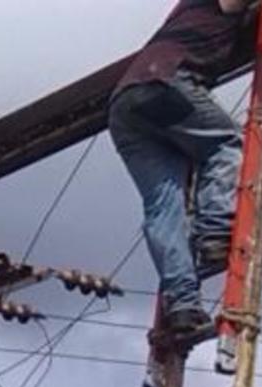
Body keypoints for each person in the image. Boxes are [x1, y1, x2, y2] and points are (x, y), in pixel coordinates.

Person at [108, 0, 253, 344]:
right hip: (162, 83)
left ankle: (183, 306)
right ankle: (216, 233)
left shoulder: (183, 16)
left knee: (164, 204)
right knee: (225, 144)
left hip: (123, 108)